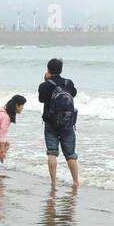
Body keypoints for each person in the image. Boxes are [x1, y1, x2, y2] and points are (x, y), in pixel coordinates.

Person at [38, 59, 79, 190]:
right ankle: (76, 181)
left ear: (48, 69)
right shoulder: (69, 83)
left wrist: (46, 81)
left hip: (51, 123)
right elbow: (74, 93)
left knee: (52, 152)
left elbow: (41, 99)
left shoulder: (45, 85)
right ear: (61, 69)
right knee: (70, 154)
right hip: (68, 123)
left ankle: (54, 183)